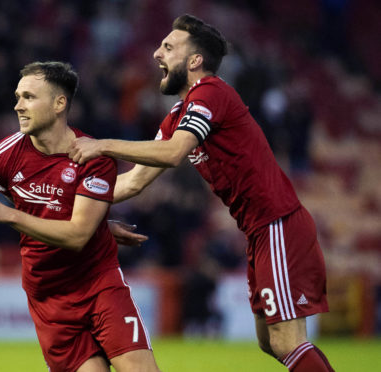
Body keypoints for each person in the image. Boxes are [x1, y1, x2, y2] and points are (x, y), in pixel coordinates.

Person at [68, 14, 334, 372]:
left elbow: (175, 152)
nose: (155, 54)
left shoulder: (210, 92)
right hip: (260, 232)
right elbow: (133, 182)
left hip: (278, 224)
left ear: (195, 61)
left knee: (287, 341)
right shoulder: (179, 114)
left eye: (168, 47)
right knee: (271, 342)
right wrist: (72, 203)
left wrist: (103, 146)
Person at [0, 61, 160, 372]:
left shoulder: (93, 158)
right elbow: (41, 211)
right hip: (48, 295)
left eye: (29, 97)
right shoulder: (1, 159)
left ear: (59, 103)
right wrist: (100, 224)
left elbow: (78, 234)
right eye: (17, 96)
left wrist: (8, 215)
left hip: (98, 283)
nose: (18, 106)